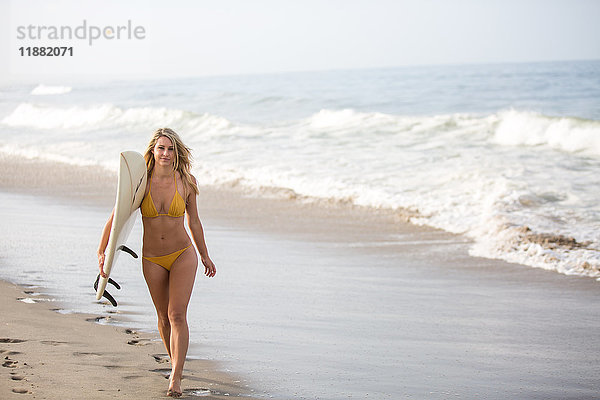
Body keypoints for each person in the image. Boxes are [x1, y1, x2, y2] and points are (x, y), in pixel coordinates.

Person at [97, 128, 216, 398]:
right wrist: (102, 251)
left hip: (183, 253)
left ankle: (175, 377)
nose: (166, 153)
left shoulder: (186, 182)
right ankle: (175, 360)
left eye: (171, 148)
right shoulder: (141, 183)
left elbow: (193, 221)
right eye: (161, 148)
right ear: (152, 151)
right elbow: (116, 218)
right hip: (153, 259)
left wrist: (204, 254)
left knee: (176, 314)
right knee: (163, 317)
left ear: (177, 152)